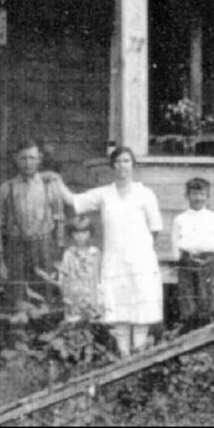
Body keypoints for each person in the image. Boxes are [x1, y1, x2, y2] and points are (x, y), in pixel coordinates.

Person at [56, 145, 163, 356]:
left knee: (140, 304)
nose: (122, 166)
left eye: (126, 161)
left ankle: (139, 354)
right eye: (118, 162)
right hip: (115, 259)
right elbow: (73, 200)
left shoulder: (145, 194)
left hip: (140, 259)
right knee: (119, 306)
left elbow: (155, 229)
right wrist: (55, 180)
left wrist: (139, 249)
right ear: (112, 166)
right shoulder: (104, 194)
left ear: (133, 165)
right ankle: (124, 355)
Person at [0, 139, 66, 316]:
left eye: (32, 158)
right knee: (18, 296)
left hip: (44, 246)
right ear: (16, 159)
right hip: (16, 247)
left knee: (45, 294)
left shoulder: (50, 185)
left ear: (39, 159)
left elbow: (60, 219)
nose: (28, 163)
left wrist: (59, 251)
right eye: (23, 158)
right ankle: (19, 339)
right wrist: (0, 258)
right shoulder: (6, 188)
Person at [170, 176, 214, 330]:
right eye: (194, 194)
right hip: (187, 263)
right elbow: (175, 241)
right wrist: (177, 261)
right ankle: (189, 332)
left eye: (202, 194)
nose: (198, 198)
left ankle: (207, 336)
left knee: (206, 300)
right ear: (187, 196)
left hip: (208, 263)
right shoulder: (180, 219)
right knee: (188, 302)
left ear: (207, 196)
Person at [55, 214, 102, 322]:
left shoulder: (95, 253)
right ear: (72, 234)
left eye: (84, 233)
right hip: (74, 297)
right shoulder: (68, 253)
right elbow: (62, 276)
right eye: (76, 233)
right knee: (74, 324)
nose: (80, 236)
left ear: (90, 233)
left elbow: (99, 275)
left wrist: (100, 293)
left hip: (92, 296)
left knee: (94, 324)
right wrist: (65, 294)